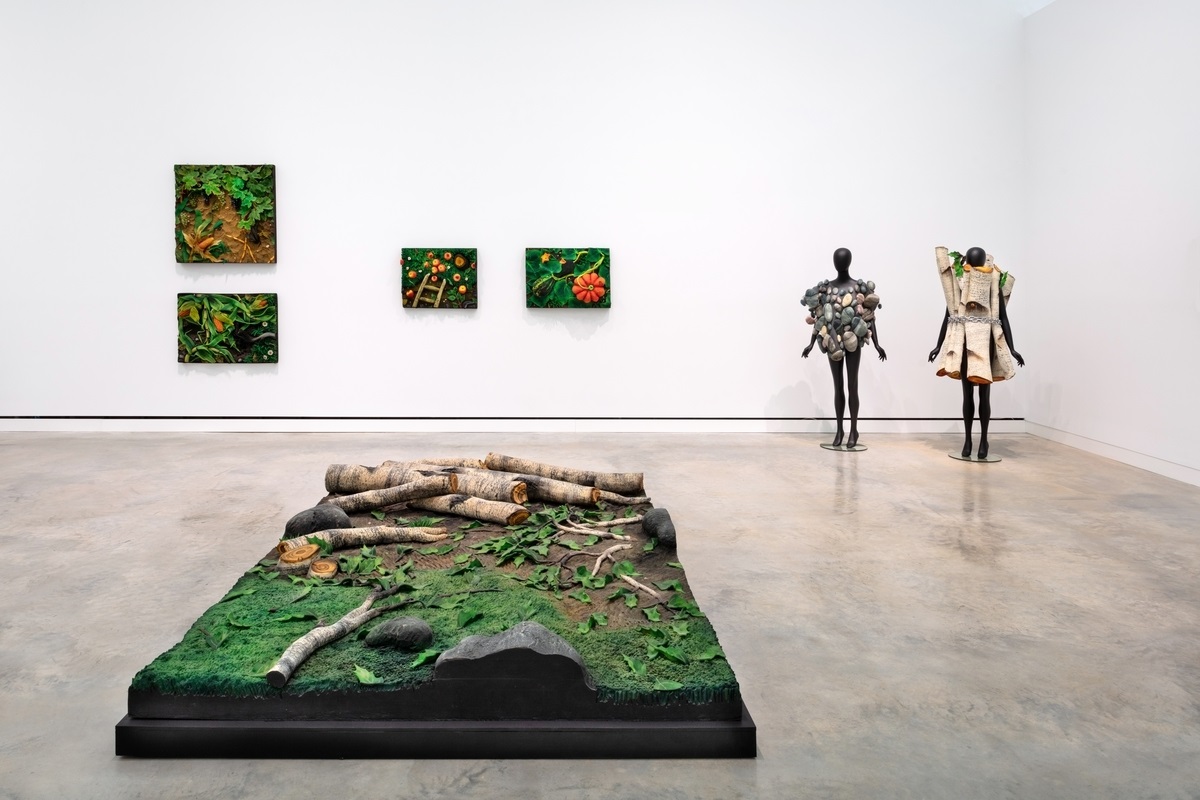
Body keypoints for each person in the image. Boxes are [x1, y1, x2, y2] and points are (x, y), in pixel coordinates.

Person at [928, 246, 1024, 459]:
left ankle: (983, 441)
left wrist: (1012, 348)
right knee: (967, 395)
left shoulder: (992, 283)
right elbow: (950, 315)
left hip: (985, 340)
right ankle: (968, 440)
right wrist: (938, 345)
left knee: (984, 394)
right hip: (964, 340)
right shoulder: (960, 282)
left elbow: (1002, 317)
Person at [802, 248, 886, 448]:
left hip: (853, 340)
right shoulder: (826, 289)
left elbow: (869, 317)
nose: (838, 263)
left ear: (848, 262)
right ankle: (840, 429)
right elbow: (820, 317)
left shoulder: (858, 287)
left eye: (842, 260)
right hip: (833, 342)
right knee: (838, 386)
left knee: (852, 385)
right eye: (836, 260)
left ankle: (854, 430)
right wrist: (811, 343)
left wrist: (876, 343)